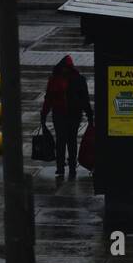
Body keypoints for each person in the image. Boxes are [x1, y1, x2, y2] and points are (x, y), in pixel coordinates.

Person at [41, 55, 93, 183]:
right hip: (64, 115)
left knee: (68, 140)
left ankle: (67, 166)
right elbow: (49, 99)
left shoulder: (62, 79)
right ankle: (63, 166)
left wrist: (89, 114)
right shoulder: (70, 79)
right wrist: (44, 113)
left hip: (69, 115)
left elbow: (84, 99)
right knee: (64, 141)